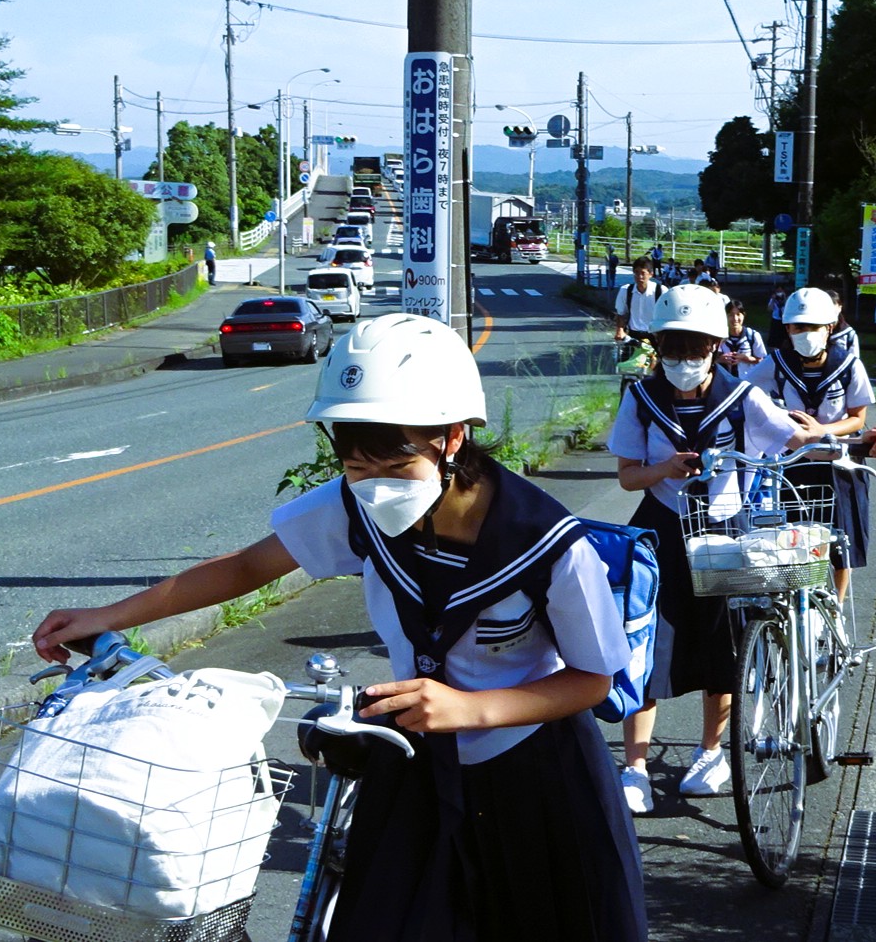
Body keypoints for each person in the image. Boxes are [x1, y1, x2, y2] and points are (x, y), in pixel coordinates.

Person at [33, 314, 648, 942]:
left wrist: (472, 708)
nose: (375, 488)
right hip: (415, 756)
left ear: (452, 437)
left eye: (395, 465)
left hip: (535, 772)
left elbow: (594, 680)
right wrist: (109, 616)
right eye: (356, 467)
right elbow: (249, 565)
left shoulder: (548, 544)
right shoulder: (355, 506)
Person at [606, 284, 832, 813]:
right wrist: (665, 468)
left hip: (723, 529)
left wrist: (851, 437)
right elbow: (626, 477)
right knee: (644, 643)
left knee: (722, 643)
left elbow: (792, 437)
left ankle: (712, 753)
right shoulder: (640, 399)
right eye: (673, 348)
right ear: (657, 346)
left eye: (697, 348)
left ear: (716, 346)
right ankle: (634, 765)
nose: (684, 359)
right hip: (660, 529)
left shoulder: (742, 396)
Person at [744, 287, 876, 605]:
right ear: (788, 328)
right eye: (798, 327)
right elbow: (744, 392)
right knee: (798, 538)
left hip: (840, 463)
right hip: (796, 463)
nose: (806, 334)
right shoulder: (777, 363)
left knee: (841, 542)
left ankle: (836, 606)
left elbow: (858, 417)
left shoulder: (848, 365)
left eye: (813, 327)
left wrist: (823, 430)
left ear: (829, 327)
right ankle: (804, 604)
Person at [615, 258, 665, 349]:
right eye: (636, 273)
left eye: (643, 273)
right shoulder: (626, 290)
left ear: (651, 274)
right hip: (633, 335)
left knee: (657, 362)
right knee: (627, 362)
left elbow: (668, 314)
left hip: (655, 337)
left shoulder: (661, 291)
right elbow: (621, 313)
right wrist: (620, 330)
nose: (639, 276)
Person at [718, 298, 766, 376]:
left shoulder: (752, 336)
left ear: (743, 315)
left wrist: (745, 358)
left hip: (747, 382)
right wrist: (721, 359)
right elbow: (710, 359)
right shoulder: (720, 336)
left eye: (738, 314)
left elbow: (762, 361)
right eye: (731, 315)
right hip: (725, 383)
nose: (735, 319)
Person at [827, 288, 862, 361]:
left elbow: (854, 360)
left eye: (833, 305)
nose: (829, 309)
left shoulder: (849, 334)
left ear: (840, 307)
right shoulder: (814, 330)